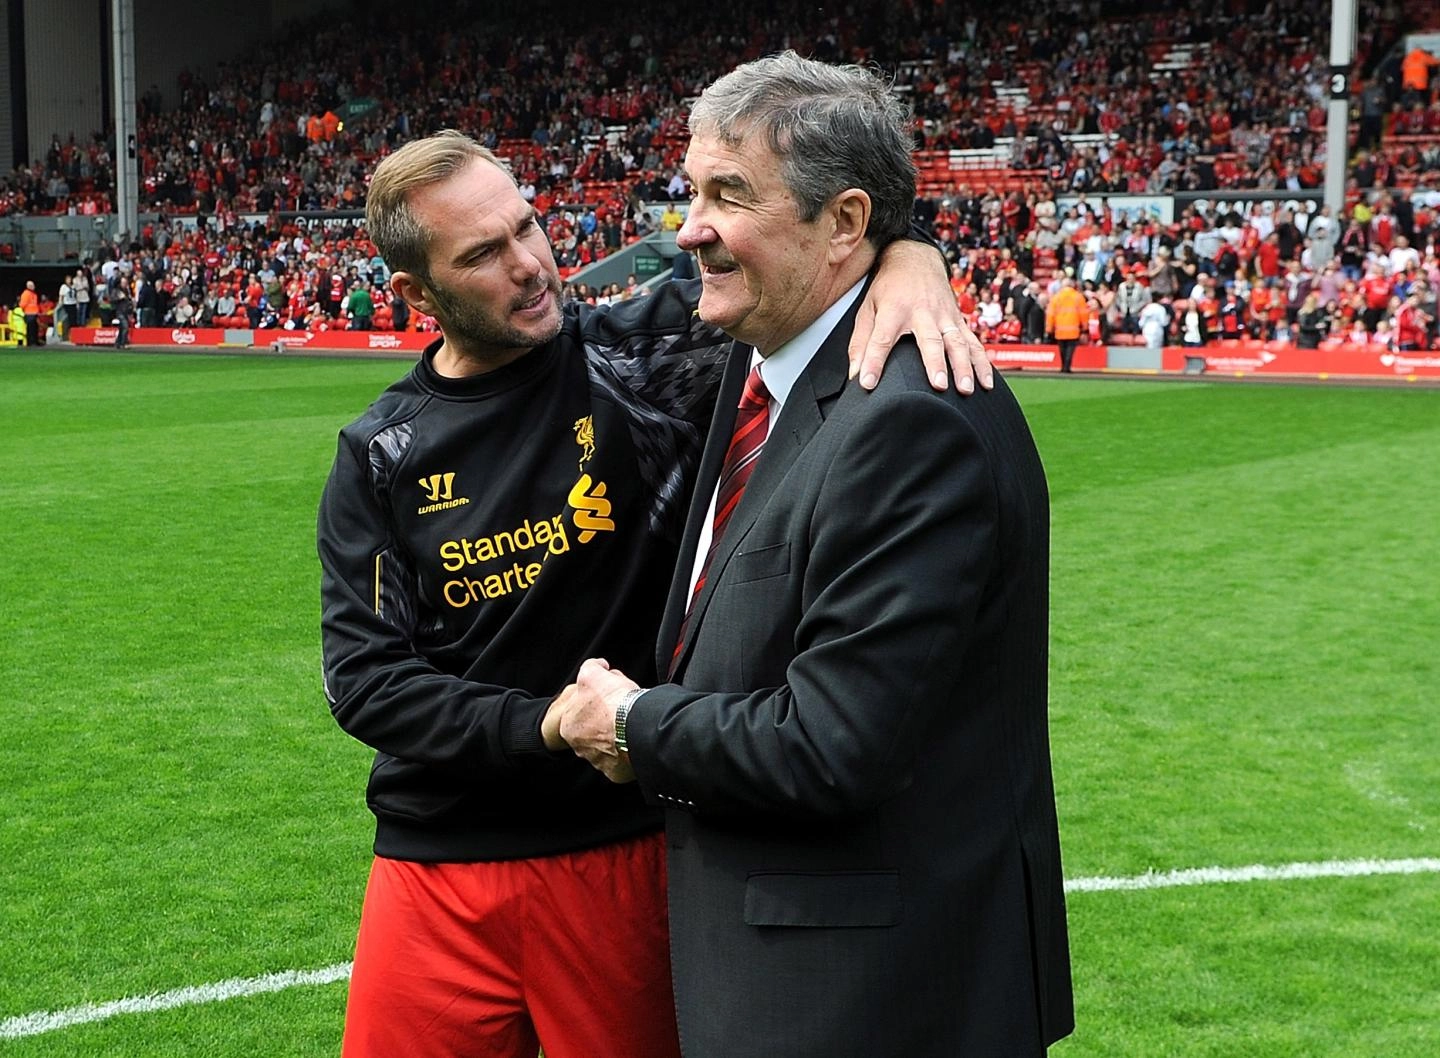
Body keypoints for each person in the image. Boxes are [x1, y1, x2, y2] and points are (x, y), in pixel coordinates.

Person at [317, 129, 994, 1058]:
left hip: (624, 847)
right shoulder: (382, 453)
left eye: (527, 229)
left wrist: (915, 258)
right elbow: (365, 682)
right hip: (437, 866)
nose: (528, 267)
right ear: (415, 294)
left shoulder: (652, 354)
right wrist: (547, 725)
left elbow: (816, 250)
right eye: (482, 255)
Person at [549, 52, 1072, 1058]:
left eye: (728, 194)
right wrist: (911, 249)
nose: (690, 226)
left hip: (870, 1003)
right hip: (790, 981)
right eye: (691, 191)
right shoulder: (761, 357)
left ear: (842, 224)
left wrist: (633, 720)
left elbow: (832, 742)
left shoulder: (907, 422)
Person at [1046, 274, 1088, 372]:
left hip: (1059, 329)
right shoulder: (1078, 297)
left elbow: (1050, 314)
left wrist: (1049, 328)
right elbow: (1084, 314)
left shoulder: (1056, 297)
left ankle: (1063, 365)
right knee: (1070, 348)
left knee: (1062, 348)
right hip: (1073, 329)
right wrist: (1085, 327)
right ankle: (1067, 367)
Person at [18, 280, 40, 346]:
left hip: (34, 313)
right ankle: (31, 342)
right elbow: (22, 304)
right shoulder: (26, 294)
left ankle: (35, 341)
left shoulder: (34, 294)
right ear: (28, 286)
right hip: (29, 314)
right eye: (32, 285)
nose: (34, 286)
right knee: (30, 329)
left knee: (35, 328)